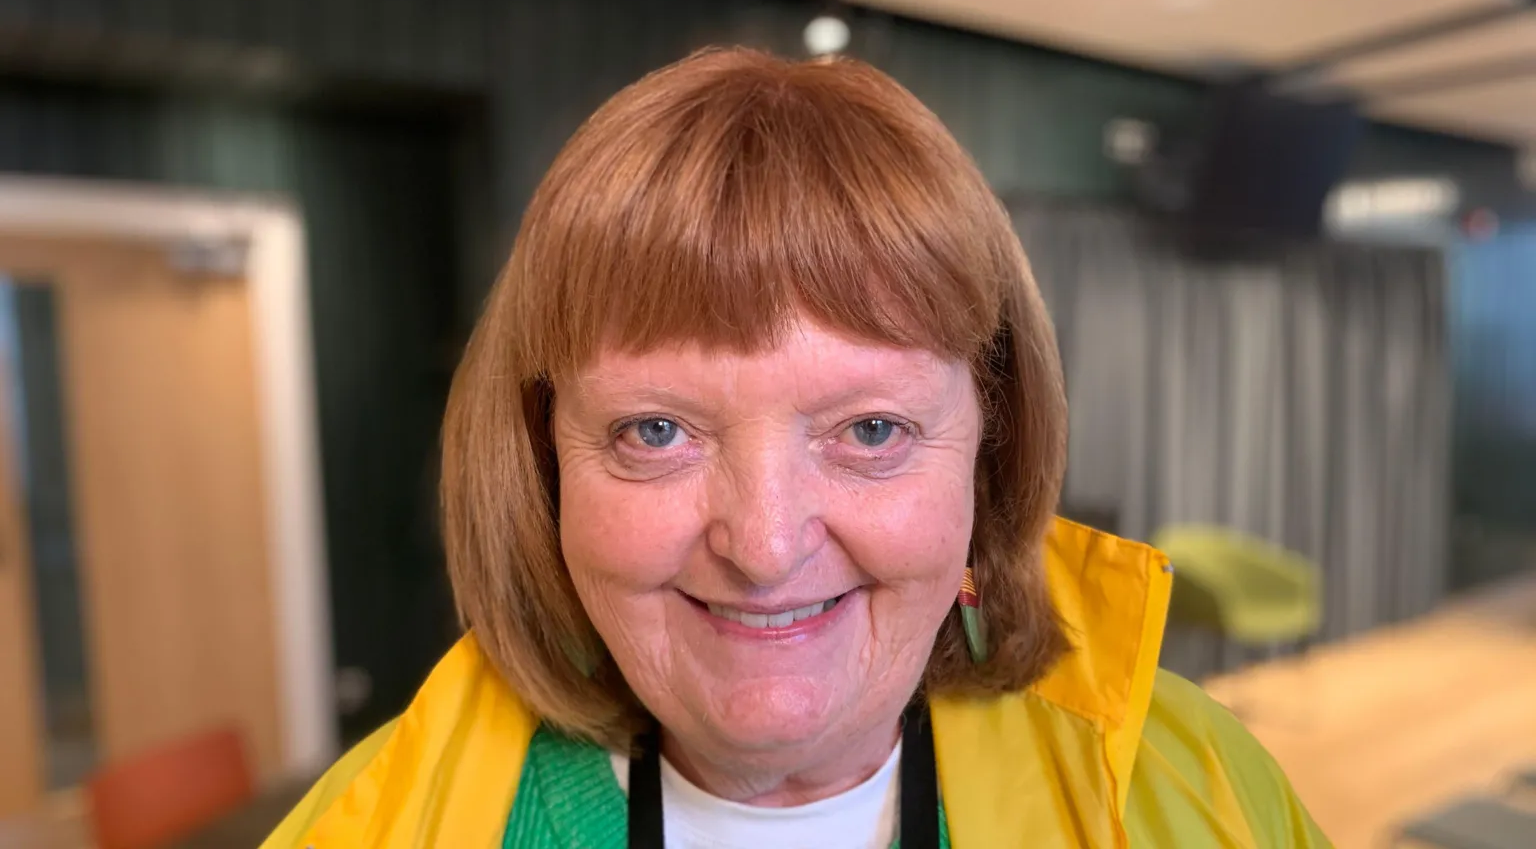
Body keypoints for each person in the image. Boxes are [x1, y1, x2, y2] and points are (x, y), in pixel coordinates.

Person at [264, 48, 1328, 848]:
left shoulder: (1205, 797)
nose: (765, 545)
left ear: (989, 462)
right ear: (543, 470)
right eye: (656, 432)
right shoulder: (369, 827)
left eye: (870, 430)